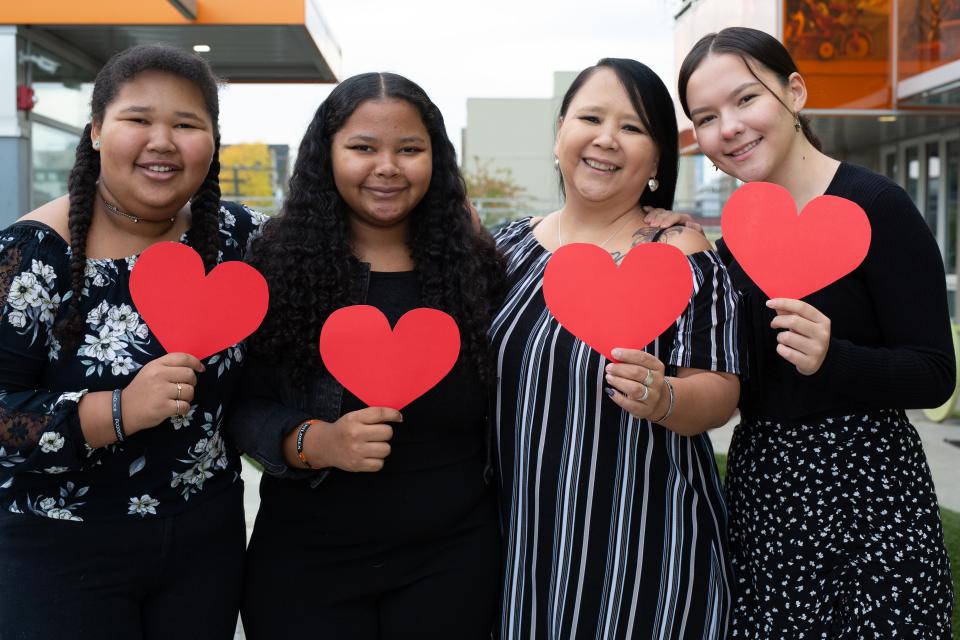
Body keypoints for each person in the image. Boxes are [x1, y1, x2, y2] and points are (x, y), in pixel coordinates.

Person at [678, 26, 954, 638]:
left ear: (794, 93)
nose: (729, 127)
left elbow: (935, 373)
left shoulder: (877, 205)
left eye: (745, 99)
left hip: (873, 492)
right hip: (766, 493)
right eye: (706, 116)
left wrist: (836, 358)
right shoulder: (726, 250)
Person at [227, 72, 506, 639]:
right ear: (325, 154)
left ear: (436, 158)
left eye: (410, 149)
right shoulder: (276, 266)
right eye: (362, 148)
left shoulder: (477, 268)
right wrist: (311, 442)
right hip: (307, 565)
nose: (387, 166)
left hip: (453, 562)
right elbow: (239, 405)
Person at [0, 45, 266, 639]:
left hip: (206, 546)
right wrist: (114, 411)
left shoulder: (242, 240)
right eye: (138, 119)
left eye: (187, 124)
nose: (163, 141)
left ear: (213, 142)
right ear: (96, 131)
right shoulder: (29, 255)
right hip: (59, 551)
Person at [489, 58, 742, 639]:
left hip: (640, 547)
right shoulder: (504, 249)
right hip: (519, 542)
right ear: (560, 135)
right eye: (591, 117)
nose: (606, 138)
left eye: (632, 127)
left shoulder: (679, 252)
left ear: (657, 159)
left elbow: (721, 393)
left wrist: (665, 397)